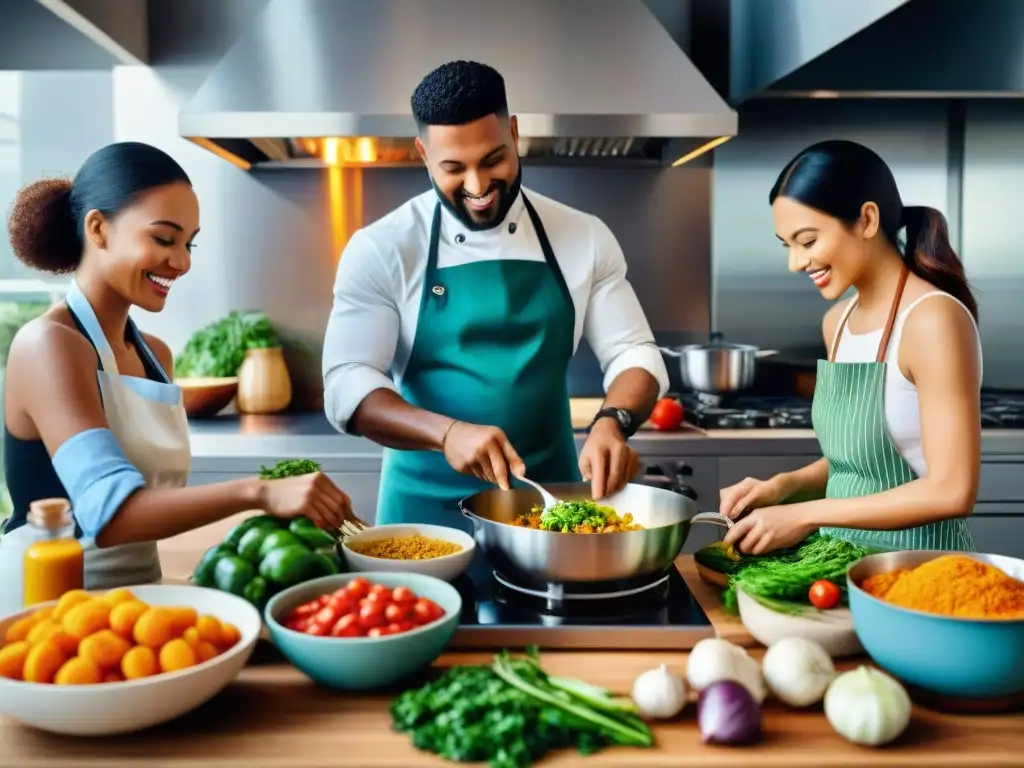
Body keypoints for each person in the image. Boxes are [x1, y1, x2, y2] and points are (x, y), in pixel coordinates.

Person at [0, 141, 353, 604]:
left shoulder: (156, 355)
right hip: (50, 612)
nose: (182, 262)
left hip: (134, 602)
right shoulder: (49, 346)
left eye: (189, 243)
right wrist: (260, 492)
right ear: (99, 229)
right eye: (164, 239)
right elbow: (112, 513)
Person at [322, 61, 668, 531]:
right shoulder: (383, 247)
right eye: (452, 168)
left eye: (492, 160)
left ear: (515, 133)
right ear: (423, 154)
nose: (477, 187)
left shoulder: (583, 236)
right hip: (422, 519)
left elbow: (634, 353)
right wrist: (446, 433)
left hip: (551, 511)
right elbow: (347, 382)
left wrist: (613, 421)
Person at [719, 139, 982, 556]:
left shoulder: (933, 320)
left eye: (807, 241)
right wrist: (784, 486)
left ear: (867, 220)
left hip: (919, 574)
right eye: (787, 246)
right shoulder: (837, 323)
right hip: (841, 563)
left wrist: (805, 514)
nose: (795, 263)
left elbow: (951, 490)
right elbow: (858, 467)